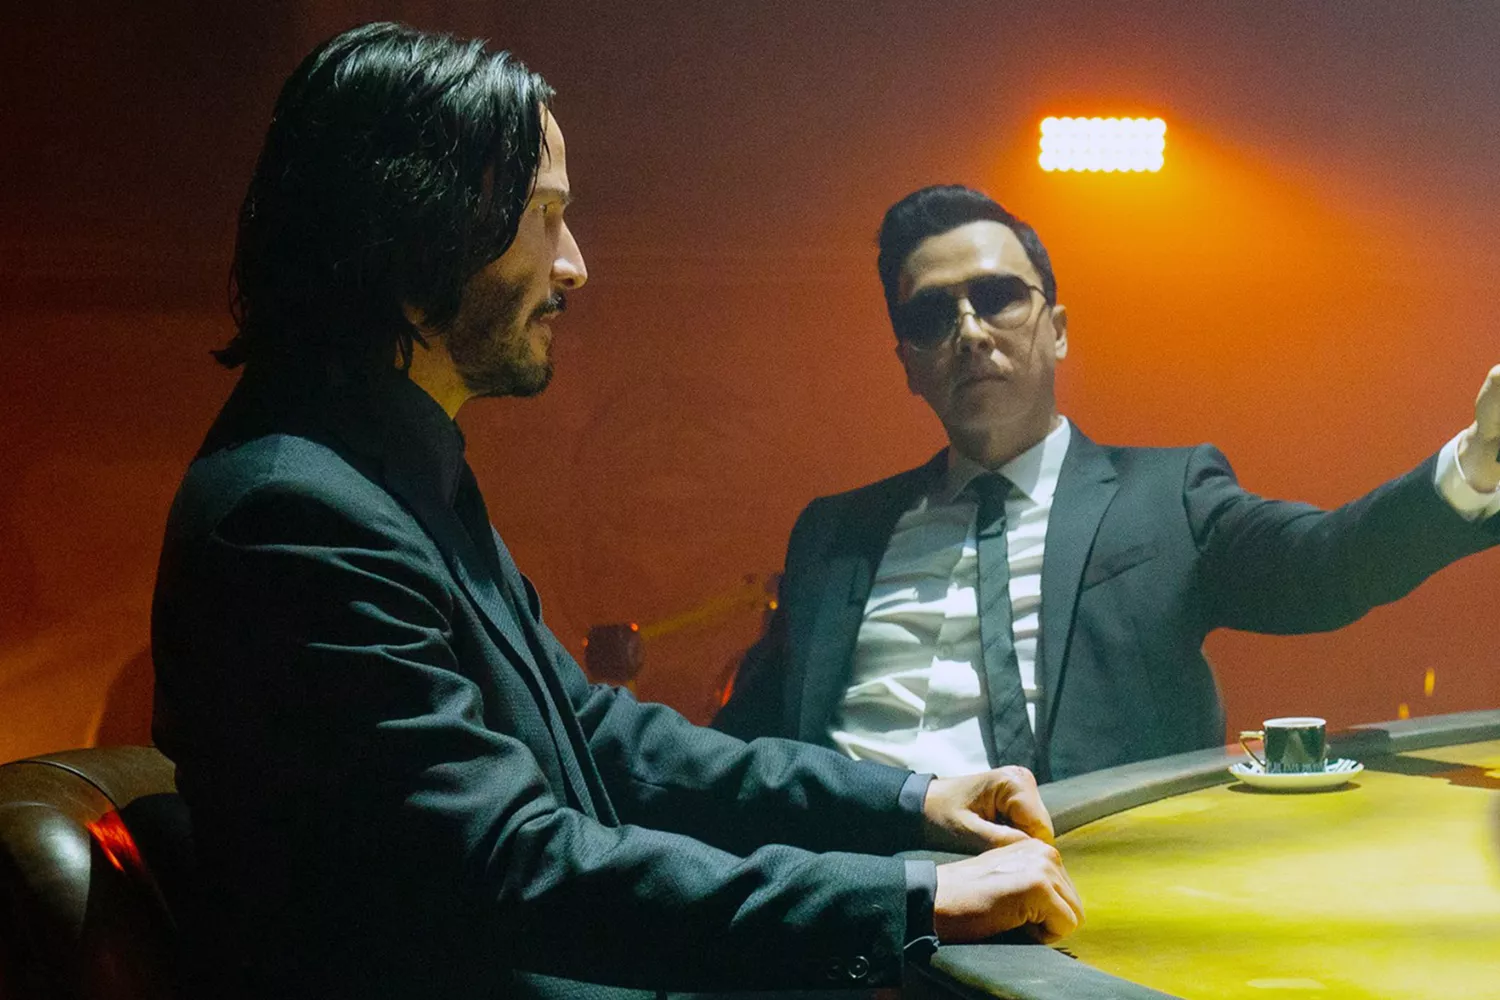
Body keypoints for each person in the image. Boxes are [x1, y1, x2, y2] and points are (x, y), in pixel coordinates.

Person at [150, 26, 1084, 1000]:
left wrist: (913, 802)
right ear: (416, 224)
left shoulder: (384, 472)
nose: (575, 265)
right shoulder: (294, 514)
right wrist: (910, 896)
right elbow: (508, 865)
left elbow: (598, 734)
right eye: (544, 215)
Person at [714, 184, 1500, 783]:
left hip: (1078, 894)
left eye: (997, 297)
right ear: (908, 366)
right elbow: (742, 749)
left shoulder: (1167, 495)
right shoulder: (836, 535)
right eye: (931, 317)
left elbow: (1326, 564)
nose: (971, 332)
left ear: (1057, 330)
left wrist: (1477, 464)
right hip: (857, 897)